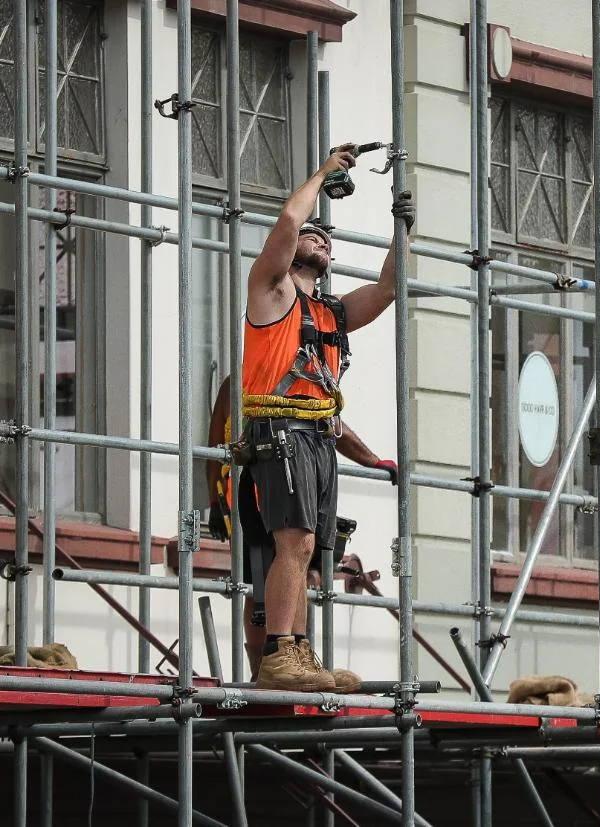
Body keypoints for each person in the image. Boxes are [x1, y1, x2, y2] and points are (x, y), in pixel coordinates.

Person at [236, 143, 414, 691]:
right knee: (296, 544)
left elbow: (387, 289)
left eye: (326, 236)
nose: (320, 235)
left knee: (310, 553)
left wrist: (402, 230)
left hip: (314, 437)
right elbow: (290, 217)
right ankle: (279, 656)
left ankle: (300, 653)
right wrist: (322, 172)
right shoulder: (273, 291)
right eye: (312, 234)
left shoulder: (330, 314)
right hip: (281, 435)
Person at [205, 375, 398, 687]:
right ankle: (265, 669)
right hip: (255, 491)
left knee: (297, 570)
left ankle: (296, 659)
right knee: (260, 582)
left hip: (284, 484)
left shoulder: (303, 372)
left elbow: (327, 422)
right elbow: (216, 442)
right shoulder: (241, 381)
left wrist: (373, 460)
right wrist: (214, 501)